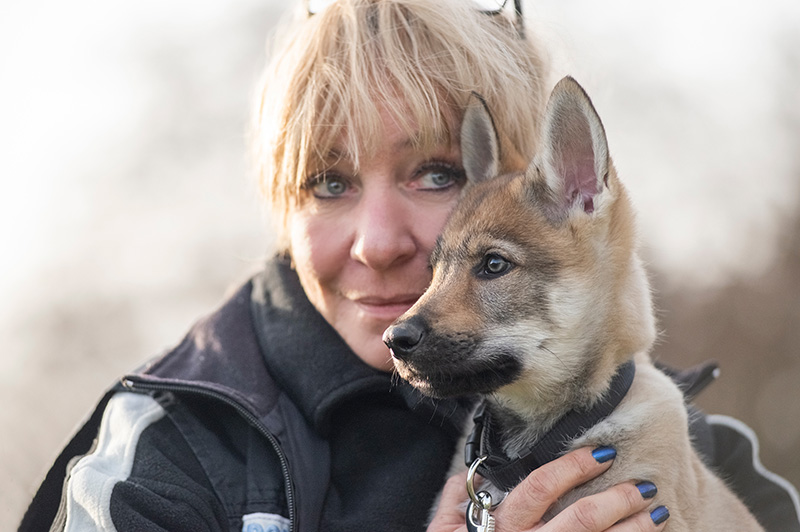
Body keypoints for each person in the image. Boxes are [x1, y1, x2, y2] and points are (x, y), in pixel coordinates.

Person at [19, 1, 800, 531]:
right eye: (328, 182)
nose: (378, 240)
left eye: (437, 172)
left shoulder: (688, 446)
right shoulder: (169, 457)